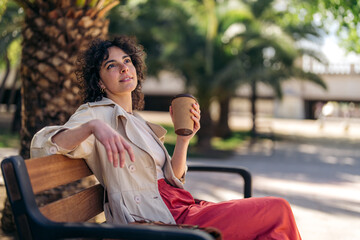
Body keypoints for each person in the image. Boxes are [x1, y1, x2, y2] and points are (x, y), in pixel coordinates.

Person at [30, 35, 302, 240]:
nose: (124, 69)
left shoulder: (136, 119)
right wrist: (91, 128)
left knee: (272, 225)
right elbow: (43, 146)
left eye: (127, 61)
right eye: (112, 66)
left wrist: (184, 139)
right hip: (159, 218)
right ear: (100, 82)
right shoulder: (96, 113)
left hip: (182, 206)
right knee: (277, 211)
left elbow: (171, 176)